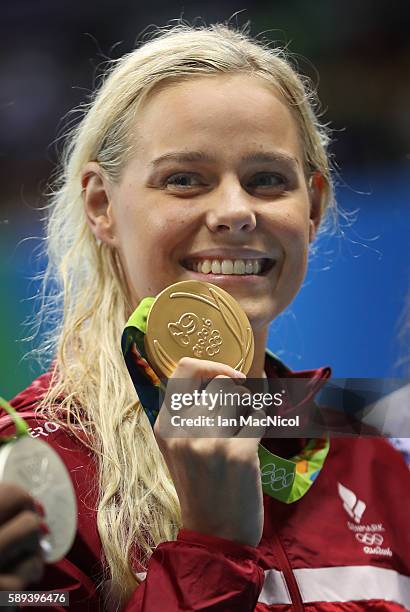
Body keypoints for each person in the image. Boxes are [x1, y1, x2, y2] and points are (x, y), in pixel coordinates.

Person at [1, 21, 409, 611]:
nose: (235, 211)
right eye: (184, 180)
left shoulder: (375, 463)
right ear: (101, 205)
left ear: (313, 206)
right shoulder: (35, 470)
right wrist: (211, 546)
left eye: (267, 180)